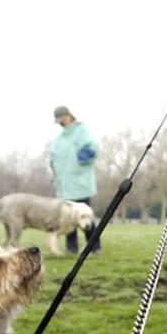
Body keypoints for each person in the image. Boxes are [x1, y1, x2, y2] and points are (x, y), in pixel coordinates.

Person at [48, 105, 100, 254]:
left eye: (62, 119)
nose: (60, 123)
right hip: (64, 184)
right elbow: (53, 155)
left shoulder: (82, 131)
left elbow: (92, 149)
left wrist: (83, 157)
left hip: (80, 182)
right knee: (67, 218)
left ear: (68, 116)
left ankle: (94, 247)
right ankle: (71, 247)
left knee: (86, 217)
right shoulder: (60, 138)